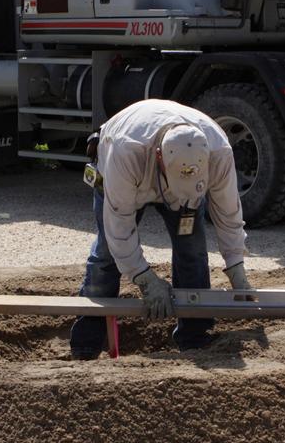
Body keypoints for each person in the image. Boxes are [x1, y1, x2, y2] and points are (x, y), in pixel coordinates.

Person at [70, 99, 252, 359]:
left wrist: (236, 267)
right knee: (106, 256)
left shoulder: (219, 150)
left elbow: (228, 211)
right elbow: (119, 230)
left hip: (172, 181)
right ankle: (86, 346)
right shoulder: (126, 152)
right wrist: (145, 279)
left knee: (193, 252)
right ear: (159, 157)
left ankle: (195, 339)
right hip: (127, 170)